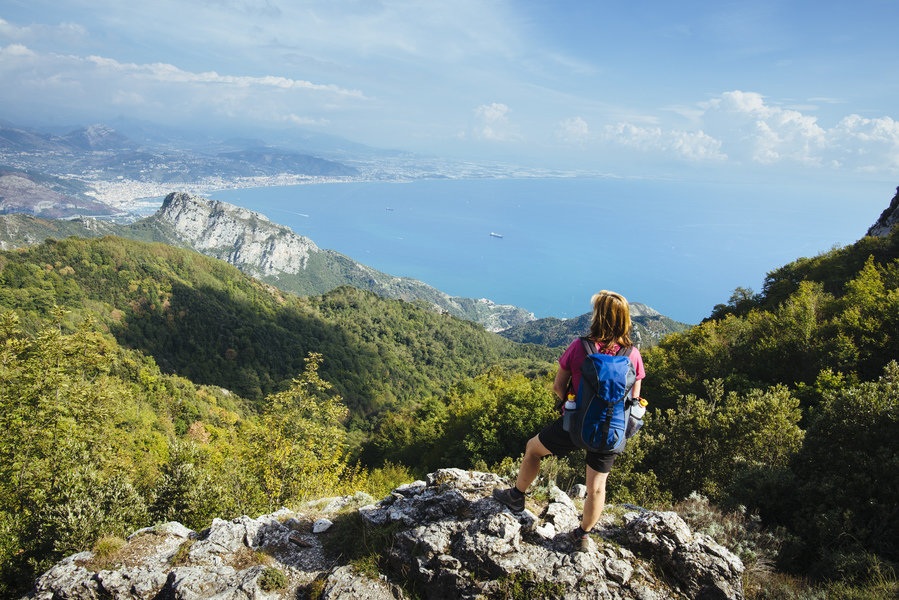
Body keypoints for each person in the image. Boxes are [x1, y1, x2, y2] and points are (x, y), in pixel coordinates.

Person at [492, 290, 645, 550]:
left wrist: (574, 407)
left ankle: (517, 496)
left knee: (533, 449)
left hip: (575, 426)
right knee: (596, 487)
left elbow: (558, 387)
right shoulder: (633, 355)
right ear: (625, 320)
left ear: (599, 316)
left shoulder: (580, 347)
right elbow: (634, 400)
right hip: (610, 432)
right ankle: (583, 535)